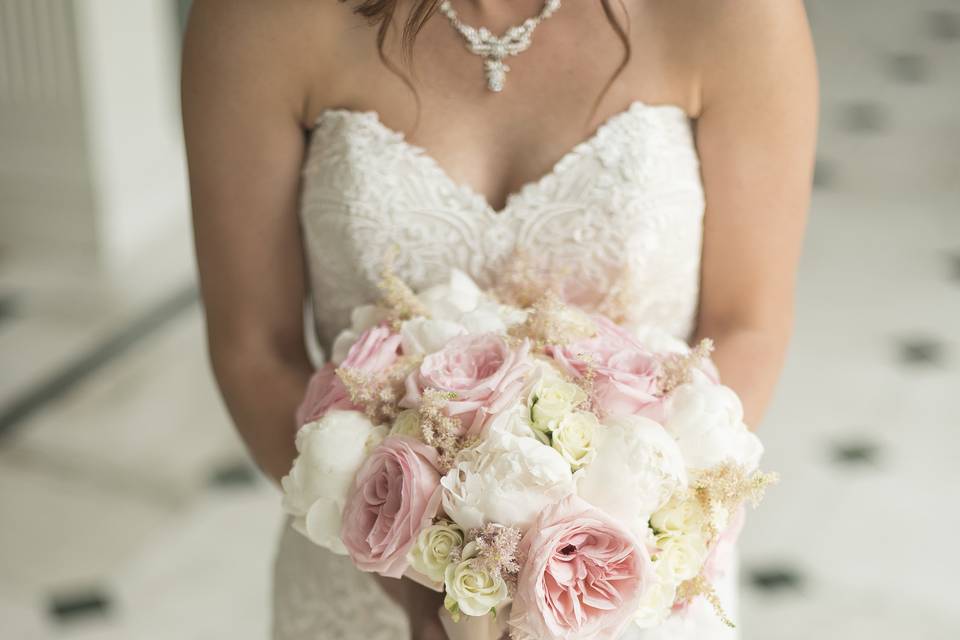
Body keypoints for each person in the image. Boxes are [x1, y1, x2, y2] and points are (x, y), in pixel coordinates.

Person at [181, 1, 817, 638]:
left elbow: (746, 322)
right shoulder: (256, 16)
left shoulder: (737, 14)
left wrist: (631, 542)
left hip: (624, 591)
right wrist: (422, 587)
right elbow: (254, 347)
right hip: (367, 570)